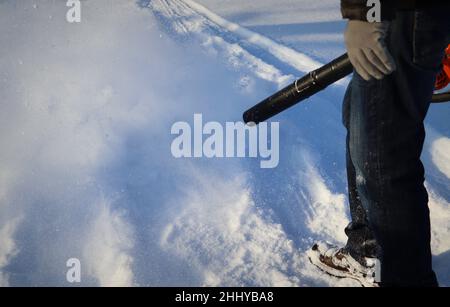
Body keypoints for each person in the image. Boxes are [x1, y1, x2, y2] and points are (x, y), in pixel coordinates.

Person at [308, 0, 450, 287]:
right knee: (358, 114)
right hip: (406, 14)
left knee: (382, 161)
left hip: (400, 14)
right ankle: (369, 248)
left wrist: (367, 13)